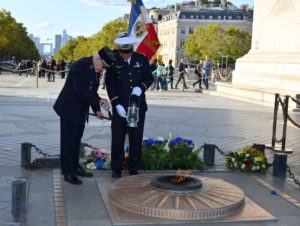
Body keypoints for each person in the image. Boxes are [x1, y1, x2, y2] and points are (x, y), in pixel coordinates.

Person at [53, 46, 115, 185]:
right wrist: (98, 100)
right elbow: (80, 89)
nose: (102, 69)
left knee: (76, 141)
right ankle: (68, 172)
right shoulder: (81, 66)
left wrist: (97, 109)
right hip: (69, 109)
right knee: (68, 142)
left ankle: (75, 167)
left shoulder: (94, 68)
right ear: (98, 58)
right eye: (103, 66)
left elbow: (92, 91)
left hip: (80, 111)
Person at [105, 32, 153, 178]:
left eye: (128, 52)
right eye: (122, 52)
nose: (125, 55)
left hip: (137, 106)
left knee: (136, 138)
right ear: (119, 49)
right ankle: (116, 168)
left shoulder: (141, 58)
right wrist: (116, 104)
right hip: (120, 106)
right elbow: (110, 84)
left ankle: (134, 167)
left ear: (132, 48)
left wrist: (142, 87)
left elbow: (149, 77)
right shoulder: (113, 61)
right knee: (117, 138)